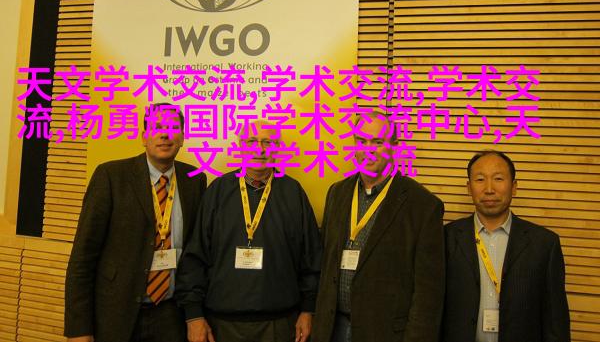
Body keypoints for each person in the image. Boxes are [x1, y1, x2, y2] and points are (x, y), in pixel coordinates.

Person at [64, 103, 207, 342]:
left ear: (182, 138)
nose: (164, 135)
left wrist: (195, 314)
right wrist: (79, 329)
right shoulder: (111, 176)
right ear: (143, 137)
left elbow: (197, 254)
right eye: (157, 127)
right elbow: (83, 257)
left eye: (173, 128)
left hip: (172, 315)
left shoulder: (195, 180)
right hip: (117, 315)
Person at [176, 120, 322, 342]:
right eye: (252, 141)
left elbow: (311, 258)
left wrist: (308, 309)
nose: (260, 149)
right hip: (221, 324)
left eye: (268, 142)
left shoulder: (293, 193)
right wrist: (193, 315)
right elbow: (195, 257)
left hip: (281, 325)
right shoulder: (218, 191)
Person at [312, 112, 445, 342]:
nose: (368, 150)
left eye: (377, 142)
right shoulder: (337, 193)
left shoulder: (422, 205)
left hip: (383, 333)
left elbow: (428, 292)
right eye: (362, 141)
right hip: (332, 328)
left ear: (394, 147)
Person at [442, 150, 570, 342]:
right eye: (480, 179)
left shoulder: (544, 244)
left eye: (498, 179)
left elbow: (555, 320)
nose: (489, 189)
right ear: (469, 188)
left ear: (514, 187)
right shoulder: (445, 238)